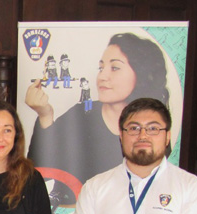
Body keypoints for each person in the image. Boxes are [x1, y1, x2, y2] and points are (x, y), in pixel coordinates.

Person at [26, 33, 170, 196]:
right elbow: (41, 170)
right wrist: (45, 115)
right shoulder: (82, 114)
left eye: (114, 68)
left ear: (141, 73)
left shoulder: (154, 130)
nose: (102, 77)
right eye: (101, 68)